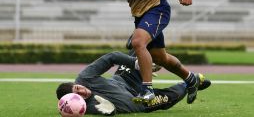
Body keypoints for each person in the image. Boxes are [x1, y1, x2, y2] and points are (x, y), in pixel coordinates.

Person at [56, 50, 211, 115]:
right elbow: (108, 112)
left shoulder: (84, 77)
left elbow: (112, 57)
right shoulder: (83, 109)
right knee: (169, 98)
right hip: (138, 102)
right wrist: (107, 112)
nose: (82, 92)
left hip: (124, 79)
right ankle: (193, 81)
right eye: (79, 97)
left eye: (78, 89)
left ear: (76, 83)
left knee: (138, 44)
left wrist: (137, 64)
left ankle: (145, 62)